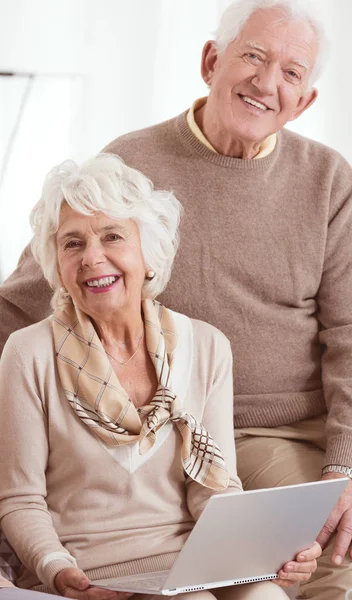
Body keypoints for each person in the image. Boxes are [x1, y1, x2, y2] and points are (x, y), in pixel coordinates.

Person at [0, 0, 352, 598]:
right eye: (253, 57)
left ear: (305, 100)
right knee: (350, 564)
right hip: (255, 429)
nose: (267, 83)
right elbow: (36, 290)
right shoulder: (132, 165)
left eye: (292, 73)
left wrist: (348, 466)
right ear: (212, 61)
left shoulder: (327, 177)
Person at [0, 154, 320, 600]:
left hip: (191, 561)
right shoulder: (28, 352)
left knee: (265, 595)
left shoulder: (207, 345)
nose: (93, 257)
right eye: (72, 244)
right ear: (57, 266)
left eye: (112, 236)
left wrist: (266, 550)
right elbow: (20, 499)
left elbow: (216, 485)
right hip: (86, 569)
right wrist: (57, 571)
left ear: (148, 253)